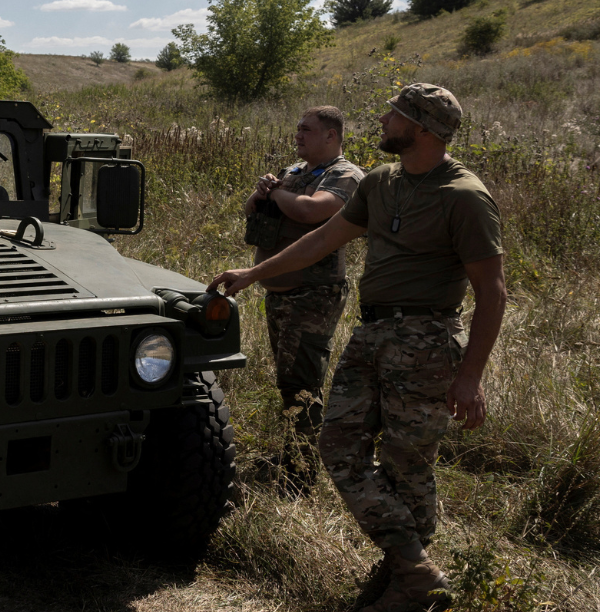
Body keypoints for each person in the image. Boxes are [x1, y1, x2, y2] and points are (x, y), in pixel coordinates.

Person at [210, 84, 506, 612]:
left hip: (427, 341)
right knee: (336, 444)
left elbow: (492, 292)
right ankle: (414, 568)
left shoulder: (464, 196)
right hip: (371, 334)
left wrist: (470, 377)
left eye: (393, 115)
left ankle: (402, 581)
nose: (383, 121)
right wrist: (255, 273)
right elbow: (323, 240)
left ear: (421, 129)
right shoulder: (380, 182)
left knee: (407, 462)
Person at [241, 106, 364, 492]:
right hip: (282, 295)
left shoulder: (345, 175)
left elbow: (314, 212)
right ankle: (292, 457)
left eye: (307, 130)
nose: (298, 136)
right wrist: (262, 193)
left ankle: (301, 472)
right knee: (288, 380)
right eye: (297, 129)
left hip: (313, 294)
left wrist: (276, 192)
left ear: (331, 135)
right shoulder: (295, 172)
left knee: (303, 384)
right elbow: (251, 210)